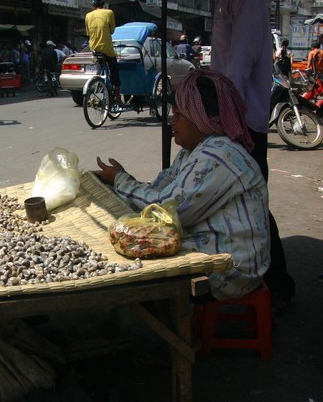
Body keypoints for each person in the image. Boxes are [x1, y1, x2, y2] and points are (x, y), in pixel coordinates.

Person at [93, 70, 269, 300]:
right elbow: (159, 188)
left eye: (178, 115)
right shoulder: (192, 152)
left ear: (201, 118)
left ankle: (167, 327)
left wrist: (120, 181)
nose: (171, 122)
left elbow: (167, 211)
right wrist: (119, 183)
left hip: (232, 268)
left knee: (132, 259)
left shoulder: (219, 156)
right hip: (212, 246)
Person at [205, 0, 295, 310]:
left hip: (244, 122)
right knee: (243, 202)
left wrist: (228, 120)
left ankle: (278, 284)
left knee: (254, 203)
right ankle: (263, 279)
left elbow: (238, 64)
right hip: (233, 118)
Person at [85, 0, 121, 103]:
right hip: (107, 48)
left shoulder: (88, 16)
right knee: (114, 71)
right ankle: (117, 95)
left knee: (101, 68)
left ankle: (99, 83)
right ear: (104, 4)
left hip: (94, 48)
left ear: (93, 4)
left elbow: (88, 33)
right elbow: (112, 31)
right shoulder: (109, 12)